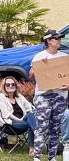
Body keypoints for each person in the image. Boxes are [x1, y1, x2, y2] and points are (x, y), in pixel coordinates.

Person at [29, 29, 68, 161]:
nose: (59, 40)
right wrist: (39, 66)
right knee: (42, 126)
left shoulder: (64, 57)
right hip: (43, 96)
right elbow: (31, 76)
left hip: (60, 95)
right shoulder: (39, 56)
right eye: (57, 38)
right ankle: (37, 156)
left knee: (55, 128)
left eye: (60, 38)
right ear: (49, 41)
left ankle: (52, 157)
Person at [0, 76, 36, 156]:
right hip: (8, 124)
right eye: (8, 85)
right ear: (4, 87)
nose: (11, 86)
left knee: (30, 115)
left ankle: (32, 147)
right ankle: (34, 139)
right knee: (31, 125)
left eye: (13, 84)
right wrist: (18, 119)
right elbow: (5, 113)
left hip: (23, 122)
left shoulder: (19, 97)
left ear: (16, 86)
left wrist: (33, 113)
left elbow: (30, 107)